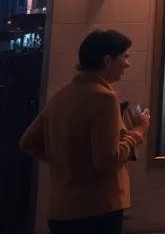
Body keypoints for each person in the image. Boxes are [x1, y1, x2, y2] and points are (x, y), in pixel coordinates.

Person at [20, 30, 150, 234]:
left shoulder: (62, 95)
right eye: (125, 57)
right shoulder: (104, 99)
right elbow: (108, 161)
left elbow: (28, 142)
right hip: (96, 211)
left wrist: (69, 162)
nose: (127, 64)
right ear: (108, 60)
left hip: (60, 211)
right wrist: (139, 131)